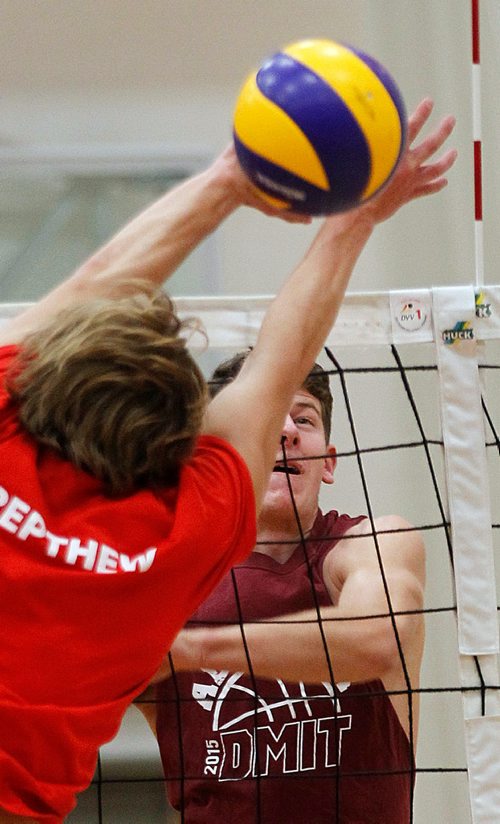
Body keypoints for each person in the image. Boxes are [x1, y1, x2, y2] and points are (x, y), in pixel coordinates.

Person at [136, 99, 457, 824]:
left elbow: (380, 636)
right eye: (268, 422)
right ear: (221, 456)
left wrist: (190, 648)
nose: (285, 434)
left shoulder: (369, 542)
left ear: (332, 459)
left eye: (304, 420)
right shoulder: (172, 570)